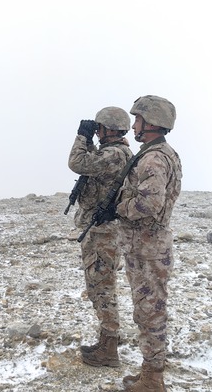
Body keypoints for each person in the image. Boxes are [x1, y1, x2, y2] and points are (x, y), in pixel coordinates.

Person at [115, 95, 182, 392]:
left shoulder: (154, 158)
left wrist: (119, 207)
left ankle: (153, 380)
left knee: (150, 312)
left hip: (147, 248)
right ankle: (150, 374)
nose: (134, 126)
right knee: (148, 310)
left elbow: (150, 204)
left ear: (152, 122)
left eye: (138, 120)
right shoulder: (160, 153)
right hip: (147, 246)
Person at [68, 106, 133, 368]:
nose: (97, 132)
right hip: (100, 230)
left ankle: (109, 348)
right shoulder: (115, 153)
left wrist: (82, 137)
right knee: (98, 286)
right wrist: (90, 141)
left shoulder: (115, 154)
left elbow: (78, 163)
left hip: (103, 233)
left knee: (102, 287)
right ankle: (107, 341)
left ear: (108, 129)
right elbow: (93, 165)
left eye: (99, 128)